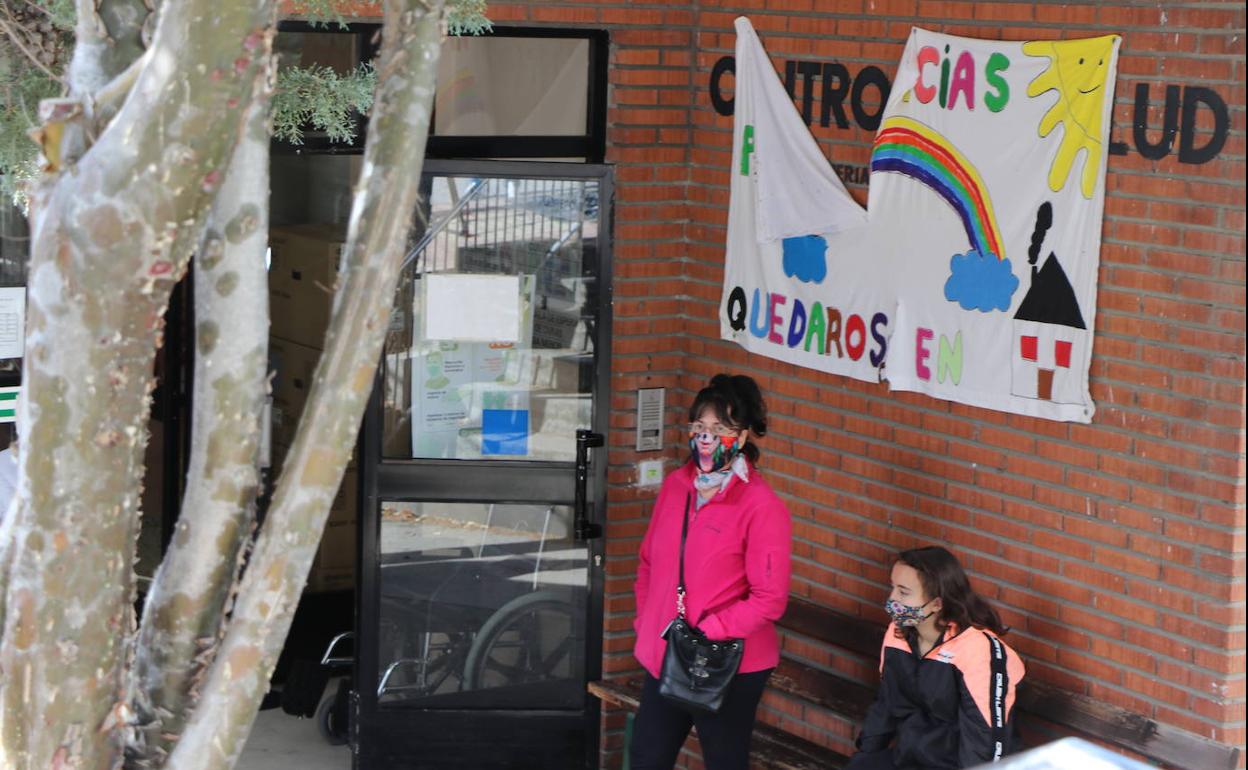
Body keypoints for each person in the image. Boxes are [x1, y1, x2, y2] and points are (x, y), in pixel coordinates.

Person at [630, 373, 792, 770]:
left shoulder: (760, 506)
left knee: (723, 762)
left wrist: (708, 631)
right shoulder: (675, 487)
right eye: (699, 427)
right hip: (667, 655)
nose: (706, 437)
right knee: (646, 759)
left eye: (719, 429)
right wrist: (647, 623)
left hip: (726, 664)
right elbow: (649, 561)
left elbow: (769, 599)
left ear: (744, 436)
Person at [846, 546, 1026, 770]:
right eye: (892, 588)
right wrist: (863, 758)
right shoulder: (898, 633)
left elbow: (984, 738)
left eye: (903, 592)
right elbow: (886, 705)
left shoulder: (977, 650)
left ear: (937, 604)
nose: (892, 599)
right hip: (910, 758)